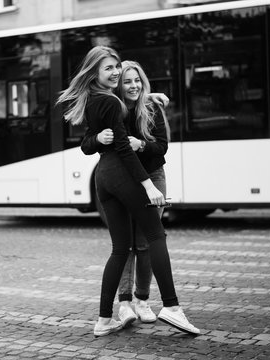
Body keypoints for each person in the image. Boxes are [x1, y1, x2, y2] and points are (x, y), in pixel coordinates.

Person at [56, 45, 199, 337]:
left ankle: (103, 320)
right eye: (108, 68)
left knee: (120, 249)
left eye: (116, 66)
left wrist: (149, 97)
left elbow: (134, 116)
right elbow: (121, 146)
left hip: (103, 179)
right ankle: (171, 307)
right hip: (121, 174)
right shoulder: (109, 102)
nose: (116, 72)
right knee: (156, 235)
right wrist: (148, 185)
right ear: (95, 71)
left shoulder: (97, 99)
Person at [80, 60, 170, 328]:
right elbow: (85, 143)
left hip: (152, 176)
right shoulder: (112, 107)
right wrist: (98, 139)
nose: (133, 86)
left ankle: (142, 300)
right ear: (118, 85)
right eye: (127, 81)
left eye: (137, 81)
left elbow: (162, 148)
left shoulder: (151, 107)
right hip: (123, 180)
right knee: (124, 246)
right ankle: (125, 304)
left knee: (144, 243)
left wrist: (141, 144)